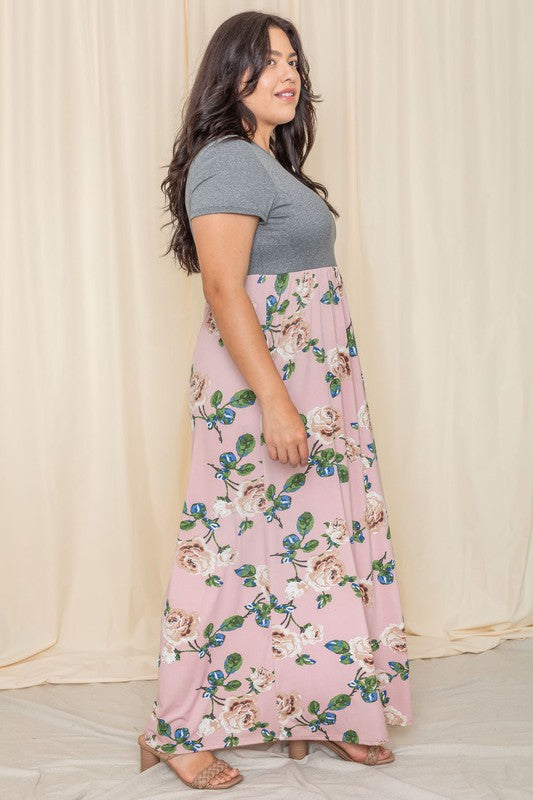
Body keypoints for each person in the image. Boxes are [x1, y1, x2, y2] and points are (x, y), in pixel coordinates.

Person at [138, 10, 413, 790]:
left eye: (293, 60)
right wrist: (277, 403)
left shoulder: (270, 162)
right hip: (263, 388)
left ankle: (318, 708)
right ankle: (175, 728)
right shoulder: (226, 160)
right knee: (224, 552)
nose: (288, 73)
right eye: (268, 60)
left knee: (306, 556)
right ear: (230, 73)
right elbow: (225, 289)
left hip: (312, 387)